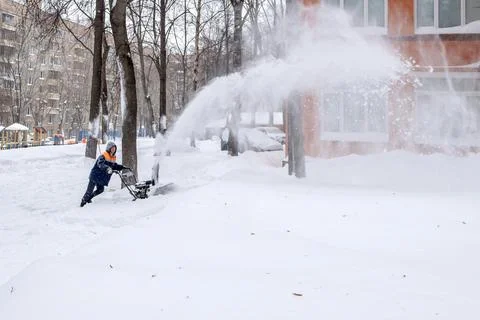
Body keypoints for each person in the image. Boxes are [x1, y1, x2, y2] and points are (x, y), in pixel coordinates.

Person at [80, 141, 126, 207]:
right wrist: (107, 168)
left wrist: (122, 167)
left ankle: (89, 198)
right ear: (109, 148)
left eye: (114, 148)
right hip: (95, 175)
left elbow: (114, 166)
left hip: (100, 177)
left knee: (100, 190)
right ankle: (83, 203)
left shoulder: (112, 157)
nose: (113, 149)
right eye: (112, 148)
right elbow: (100, 164)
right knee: (89, 191)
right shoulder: (103, 156)